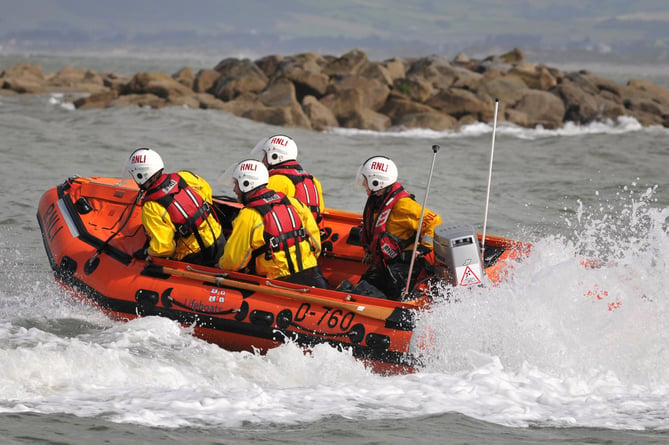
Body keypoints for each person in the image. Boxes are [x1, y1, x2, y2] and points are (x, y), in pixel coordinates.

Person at [218, 159, 328, 288]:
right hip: (313, 275)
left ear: (246, 184)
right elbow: (316, 243)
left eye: (236, 184)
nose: (235, 190)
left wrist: (220, 265)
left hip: (279, 283)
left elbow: (233, 262)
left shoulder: (249, 215)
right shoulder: (295, 203)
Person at [354, 155, 442, 300]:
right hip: (386, 265)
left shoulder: (403, 205)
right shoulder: (378, 201)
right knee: (361, 288)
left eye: (366, 180)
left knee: (367, 294)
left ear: (376, 182)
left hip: (402, 268)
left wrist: (423, 248)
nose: (363, 184)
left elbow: (434, 220)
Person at [126, 147, 225, 267]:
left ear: (139, 176)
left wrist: (147, 252)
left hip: (195, 256)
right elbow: (207, 192)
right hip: (219, 238)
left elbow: (163, 248)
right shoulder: (185, 176)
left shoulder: (151, 207)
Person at [251, 135, 325, 225]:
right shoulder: (314, 181)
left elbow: (256, 213)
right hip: (310, 234)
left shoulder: (275, 180)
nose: (263, 160)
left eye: (265, 156)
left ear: (274, 156)